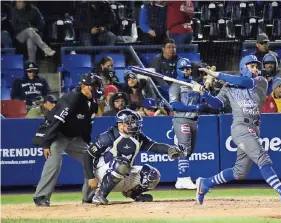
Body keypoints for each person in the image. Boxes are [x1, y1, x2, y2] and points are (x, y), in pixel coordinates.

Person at [195, 55, 281, 205]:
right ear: (243, 68)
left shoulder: (260, 81)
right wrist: (204, 94)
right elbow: (217, 104)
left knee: (239, 172)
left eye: (256, 66)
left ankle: (205, 183)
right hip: (240, 127)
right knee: (262, 158)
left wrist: (218, 75)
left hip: (254, 127)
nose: (256, 69)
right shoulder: (228, 86)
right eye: (252, 66)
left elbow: (244, 82)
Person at [84, 109, 185, 205]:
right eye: (130, 123)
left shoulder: (138, 137)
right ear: (120, 124)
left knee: (152, 174)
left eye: (134, 123)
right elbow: (88, 155)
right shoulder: (107, 137)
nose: (134, 126)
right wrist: (90, 177)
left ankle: (132, 193)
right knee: (121, 164)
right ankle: (100, 194)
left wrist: (170, 150)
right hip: (103, 174)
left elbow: (154, 146)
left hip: (124, 172)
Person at [33, 73, 103, 207]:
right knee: (54, 163)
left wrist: (86, 143)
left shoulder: (93, 102)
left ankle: (89, 197)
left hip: (75, 137)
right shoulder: (72, 99)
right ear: (83, 86)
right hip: (58, 135)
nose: (95, 88)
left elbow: (87, 124)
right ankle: (41, 197)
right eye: (92, 86)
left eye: (97, 86)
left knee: (92, 159)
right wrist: (46, 144)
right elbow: (55, 122)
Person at [169, 58, 205, 190]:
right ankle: (185, 178)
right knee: (184, 147)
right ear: (178, 70)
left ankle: (180, 179)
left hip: (195, 120)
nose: (186, 71)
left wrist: (204, 93)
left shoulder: (195, 84)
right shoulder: (175, 85)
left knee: (189, 151)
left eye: (188, 68)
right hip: (181, 119)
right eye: (183, 69)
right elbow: (174, 105)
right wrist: (193, 107)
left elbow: (203, 101)